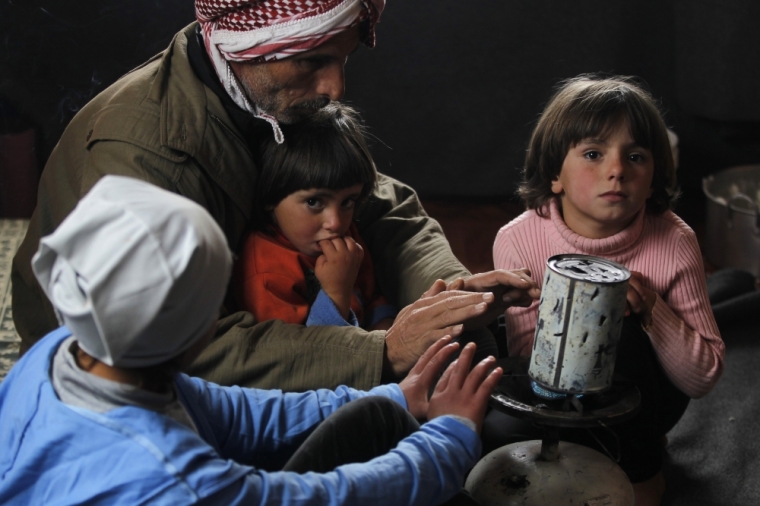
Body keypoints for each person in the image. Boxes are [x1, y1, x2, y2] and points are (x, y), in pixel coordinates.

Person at [11, 0, 540, 392]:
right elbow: (172, 347)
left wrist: (446, 292)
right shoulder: (151, 152)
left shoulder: (262, 89)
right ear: (249, 48)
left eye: (342, 61)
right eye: (312, 61)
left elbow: (383, 203)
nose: (335, 88)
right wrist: (384, 351)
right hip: (120, 361)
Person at [0, 175, 502, 505]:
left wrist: (395, 395)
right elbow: (329, 497)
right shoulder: (176, 480)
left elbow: (231, 411)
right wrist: (450, 436)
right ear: (190, 331)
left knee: (369, 416)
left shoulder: (64, 349)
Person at [489, 75, 725, 506]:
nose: (617, 170)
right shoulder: (519, 239)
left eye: (635, 156)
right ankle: (588, 447)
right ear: (554, 175)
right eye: (594, 154)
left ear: (653, 179)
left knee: (621, 330)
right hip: (554, 394)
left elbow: (704, 375)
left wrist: (651, 309)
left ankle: (641, 470)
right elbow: (527, 360)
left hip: (642, 399)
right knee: (494, 430)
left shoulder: (674, 241)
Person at [232, 102, 397, 330]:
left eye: (347, 202)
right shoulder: (265, 270)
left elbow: (370, 296)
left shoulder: (345, 239)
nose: (336, 223)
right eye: (314, 202)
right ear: (270, 197)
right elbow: (298, 356)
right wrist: (335, 293)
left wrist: (387, 327)